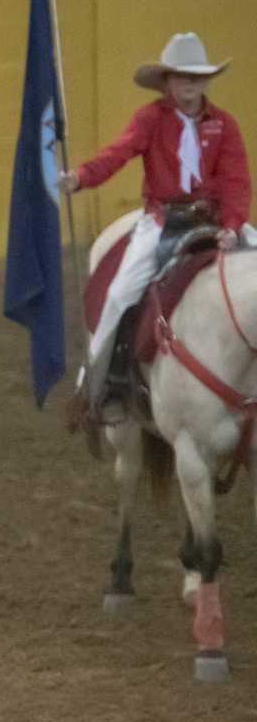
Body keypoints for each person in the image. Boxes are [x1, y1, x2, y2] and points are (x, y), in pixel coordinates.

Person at [62, 32, 250, 427]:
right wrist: (81, 178)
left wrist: (232, 226)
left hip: (215, 218)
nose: (190, 85)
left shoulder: (224, 125)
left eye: (197, 77)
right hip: (163, 221)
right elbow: (118, 154)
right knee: (118, 294)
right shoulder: (149, 120)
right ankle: (100, 382)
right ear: (167, 82)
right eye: (182, 77)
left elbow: (236, 182)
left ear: (205, 81)